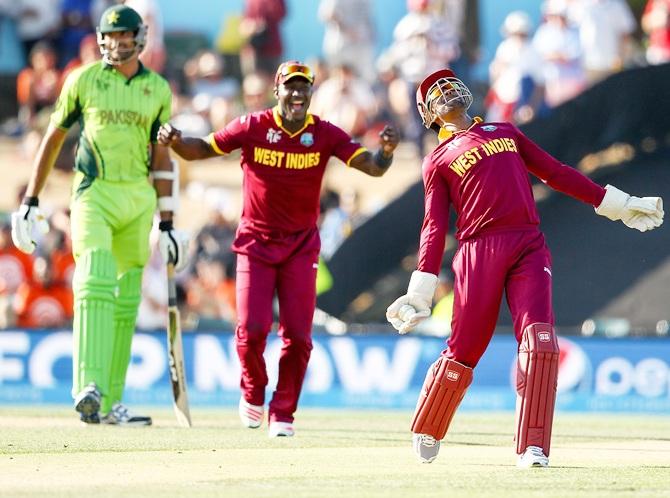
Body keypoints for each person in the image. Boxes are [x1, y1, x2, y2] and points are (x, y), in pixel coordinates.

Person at [385, 68, 664, 467]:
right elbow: (433, 226)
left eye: (448, 82)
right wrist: (420, 292)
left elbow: (554, 172)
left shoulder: (505, 132)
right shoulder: (437, 161)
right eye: (434, 91)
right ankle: (429, 424)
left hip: (527, 243)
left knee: (540, 344)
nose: (445, 90)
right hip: (477, 251)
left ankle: (532, 445)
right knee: (464, 350)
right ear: (428, 115)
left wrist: (615, 204)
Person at [158, 60, 399, 437]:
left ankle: (283, 412)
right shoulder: (253, 126)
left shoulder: (324, 133)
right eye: (292, 86)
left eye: (305, 87)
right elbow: (201, 150)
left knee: (299, 336)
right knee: (252, 328)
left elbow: (371, 167)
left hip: (301, 247)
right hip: (255, 241)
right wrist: (175, 142)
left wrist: (384, 152)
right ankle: (253, 393)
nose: (298, 94)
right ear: (278, 90)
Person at [10, 4, 188, 425]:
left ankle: (109, 403)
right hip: (93, 193)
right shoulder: (84, 80)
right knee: (94, 276)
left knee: (126, 299)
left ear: (139, 39)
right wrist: (30, 200)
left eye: (123, 36)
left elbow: (161, 157)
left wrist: (167, 221)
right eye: (108, 37)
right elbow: (52, 139)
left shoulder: (158, 90)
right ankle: (87, 385)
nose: (115, 44)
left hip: (138, 199)